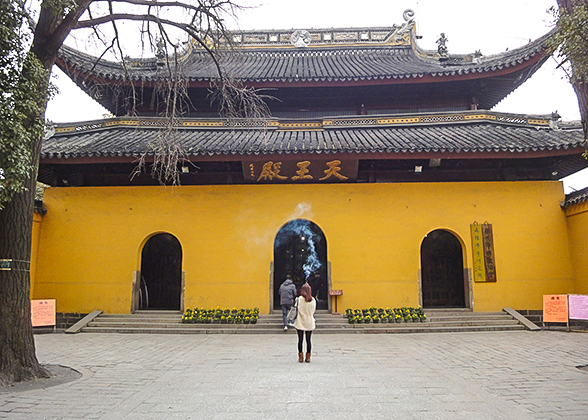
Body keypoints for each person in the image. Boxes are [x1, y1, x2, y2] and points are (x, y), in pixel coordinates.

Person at [293, 283, 316, 363]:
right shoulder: (313, 300)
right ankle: (308, 357)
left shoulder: (299, 299)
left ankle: (300, 357)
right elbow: (313, 311)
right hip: (309, 321)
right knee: (308, 340)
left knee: (300, 340)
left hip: (300, 321)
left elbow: (295, 309)